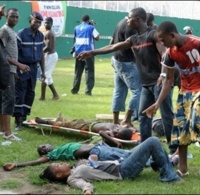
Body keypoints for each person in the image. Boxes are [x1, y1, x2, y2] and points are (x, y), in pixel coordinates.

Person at [76, 7, 175, 153]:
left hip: (159, 83)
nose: (127, 20)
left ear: (138, 20)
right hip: (146, 85)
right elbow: (114, 46)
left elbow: (165, 54)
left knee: (166, 115)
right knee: (143, 116)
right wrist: (92, 52)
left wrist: (163, 74)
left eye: (129, 18)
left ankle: (174, 149)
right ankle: (145, 146)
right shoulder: (133, 39)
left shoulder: (153, 35)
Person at [143, 21, 200, 177]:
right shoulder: (169, 53)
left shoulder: (196, 42)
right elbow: (169, 80)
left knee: (197, 123)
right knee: (180, 129)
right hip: (185, 91)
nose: (162, 43)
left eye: (163, 39)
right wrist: (157, 103)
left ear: (172, 35)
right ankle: (183, 169)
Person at [39, 137, 181, 195]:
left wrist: (92, 158)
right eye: (58, 165)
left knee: (147, 145)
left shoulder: (76, 167)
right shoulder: (72, 178)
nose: (61, 163)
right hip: (123, 171)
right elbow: (84, 185)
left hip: (120, 162)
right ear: (59, 175)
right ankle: (169, 175)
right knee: (152, 141)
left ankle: (161, 164)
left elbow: (92, 163)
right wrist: (87, 191)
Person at [0, 8, 30, 141]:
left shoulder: (12, 31)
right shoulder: (4, 30)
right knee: (9, 99)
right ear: (7, 16)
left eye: (17, 17)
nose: (15, 19)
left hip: (10, 70)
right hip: (5, 69)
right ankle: (8, 133)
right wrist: (19, 65)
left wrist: (15, 70)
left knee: (4, 99)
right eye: (12, 16)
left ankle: (2, 130)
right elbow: (3, 54)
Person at [3, 141, 132, 171]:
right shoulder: (51, 155)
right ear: (44, 152)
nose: (45, 145)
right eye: (42, 148)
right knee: (130, 156)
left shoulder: (59, 148)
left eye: (44, 144)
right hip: (96, 152)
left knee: (128, 153)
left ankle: (150, 157)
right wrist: (16, 164)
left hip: (100, 147)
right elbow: (35, 162)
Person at [13, 12, 46, 131]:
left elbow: (42, 54)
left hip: (34, 68)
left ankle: (25, 116)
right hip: (22, 67)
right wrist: (16, 69)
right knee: (20, 92)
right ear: (30, 20)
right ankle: (18, 119)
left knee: (30, 92)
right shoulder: (21, 34)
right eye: (35, 21)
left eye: (39, 22)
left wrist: (43, 71)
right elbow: (14, 53)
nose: (37, 24)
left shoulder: (41, 36)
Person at [35, 113, 137, 147]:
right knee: (69, 123)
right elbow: (102, 133)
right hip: (88, 124)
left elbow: (102, 133)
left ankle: (51, 121)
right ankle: (50, 121)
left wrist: (134, 130)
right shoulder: (112, 130)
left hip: (90, 124)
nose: (115, 135)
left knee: (69, 123)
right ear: (118, 131)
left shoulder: (116, 128)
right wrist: (115, 140)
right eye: (117, 134)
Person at [109, 18, 141, 128]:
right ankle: (127, 120)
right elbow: (134, 48)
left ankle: (115, 121)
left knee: (119, 90)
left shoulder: (120, 23)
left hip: (116, 59)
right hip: (127, 62)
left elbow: (111, 42)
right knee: (138, 91)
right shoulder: (131, 27)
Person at [71, 15, 100, 96]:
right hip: (88, 52)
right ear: (89, 20)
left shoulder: (76, 27)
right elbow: (97, 37)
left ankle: (74, 90)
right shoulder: (91, 28)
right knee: (89, 71)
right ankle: (88, 91)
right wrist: (92, 26)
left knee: (78, 71)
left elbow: (75, 40)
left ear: (81, 20)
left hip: (78, 52)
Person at [39, 17, 59, 101]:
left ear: (51, 24)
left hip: (50, 55)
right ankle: (55, 95)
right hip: (51, 55)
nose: (46, 24)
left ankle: (42, 97)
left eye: (48, 23)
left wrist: (40, 52)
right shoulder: (49, 32)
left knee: (45, 75)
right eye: (45, 23)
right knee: (48, 76)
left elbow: (48, 47)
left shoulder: (49, 33)